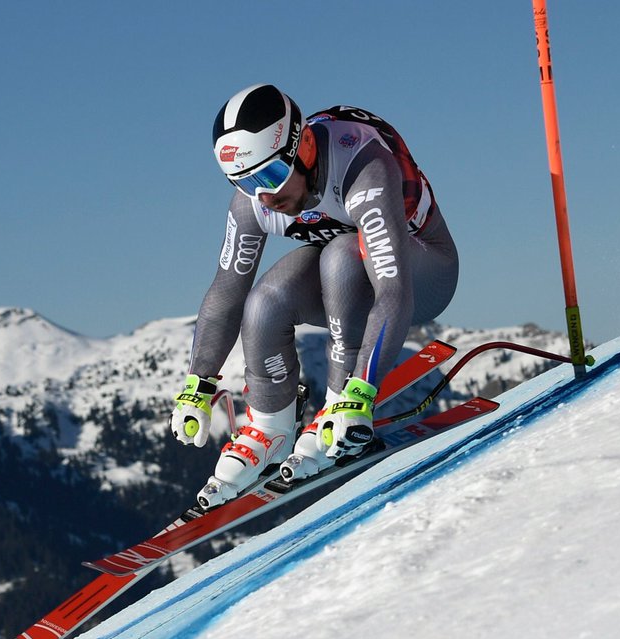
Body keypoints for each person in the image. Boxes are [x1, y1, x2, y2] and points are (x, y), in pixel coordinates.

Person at [170, 83, 459, 508]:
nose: (264, 195)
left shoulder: (361, 165)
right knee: (264, 303)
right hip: (348, 281)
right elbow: (227, 289)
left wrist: (360, 392)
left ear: (303, 146)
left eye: (268, 176)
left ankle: (341, 405)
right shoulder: (256, 199)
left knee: (342, 255)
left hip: (423, 272)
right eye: (244, 182)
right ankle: (269, 431)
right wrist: (198, 384)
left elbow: (393, 290)